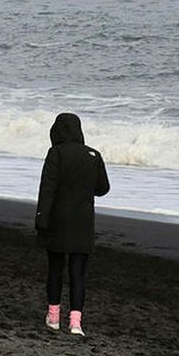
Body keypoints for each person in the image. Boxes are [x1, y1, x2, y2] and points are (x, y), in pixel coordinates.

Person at [35, 112, 111, 337]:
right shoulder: (93, 155)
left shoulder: (56, 153)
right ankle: (76, 322)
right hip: (83, 222)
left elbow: (47, 188)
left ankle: (54, 316)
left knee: (56, 269)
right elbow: (103, 188)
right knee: (78, 273)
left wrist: (41, 218)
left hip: (57, 221)